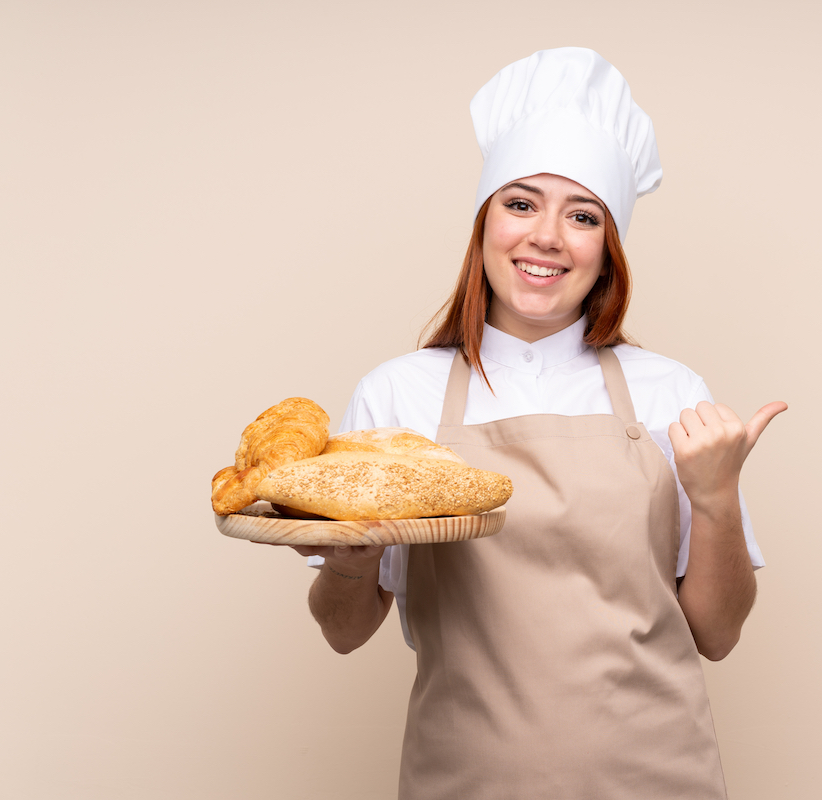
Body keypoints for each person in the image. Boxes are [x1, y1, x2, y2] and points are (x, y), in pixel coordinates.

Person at [290, 47, 786, 798]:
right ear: (484, 222)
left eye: (581, 216)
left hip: (656, 779)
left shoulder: (668, 393)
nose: (547, 236)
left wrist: (715, 498)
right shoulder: (398, 396)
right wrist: (352, 551)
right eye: (521, 203)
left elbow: (716, 635)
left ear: (606, 252)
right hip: (464, 778)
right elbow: (343, 629)